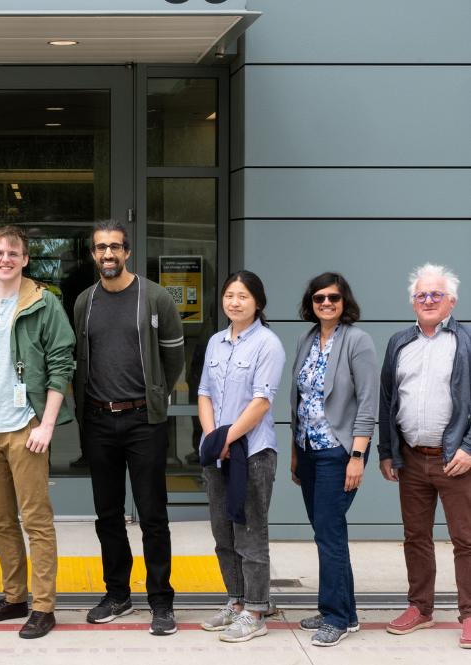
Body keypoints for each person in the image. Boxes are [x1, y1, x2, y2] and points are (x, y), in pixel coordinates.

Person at [0, 225, 75, 639]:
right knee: (1, 520)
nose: (4, 259)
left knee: (36, 520)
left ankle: (43, 606)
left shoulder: (44, 304)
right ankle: (15, 597)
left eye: (13, 253)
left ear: (26, 259)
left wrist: (45, 424)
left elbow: (62, 364)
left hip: (25, 426)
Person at [73, 221, 185, 635]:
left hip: (143, 420)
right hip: (99, 419)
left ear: (127, 252)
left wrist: (154, 394)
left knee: (153, 515)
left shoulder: (154, 297)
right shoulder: (85, 301)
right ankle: (117, 593)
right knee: (108, 515)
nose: (108, 255)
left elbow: (173, 358)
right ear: (92, 254)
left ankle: (161, 601)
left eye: (115, 247)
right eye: (101, 248)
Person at [378, 263, 471, 648]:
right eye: (421, 295)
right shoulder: (399, 342)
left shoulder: (466, 342)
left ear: (451, 300)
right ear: (412, 301)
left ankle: (470, 614)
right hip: (412, 459)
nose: (428, 300)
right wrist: (387, 452)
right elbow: (387, 400)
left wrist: (469, 447)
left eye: (436, 294)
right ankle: (421, 608)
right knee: (416, 537)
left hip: (456, 460)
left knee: (466, 539)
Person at [289, 272, 377, 647]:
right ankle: (345, 611)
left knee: (329, 533)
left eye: (333, 298)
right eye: (319, 298)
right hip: (308, 450)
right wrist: (296, 451)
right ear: (311, 303)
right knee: (327, 531)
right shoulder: (306, 339)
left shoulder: (358, 340)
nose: (326, 303)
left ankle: (336, 617)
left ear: (345, 302)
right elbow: (299, 401)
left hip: (340, 450)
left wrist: (357, 456)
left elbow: (368, 403)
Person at [197, 270, 285, 642]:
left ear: (258, 303)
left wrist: (227, 438)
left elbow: (261, 402)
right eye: (229, 295)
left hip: (253, 453)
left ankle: (256, 608)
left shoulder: (268, 344)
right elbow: (203, 392)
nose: (234, 301)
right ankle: (235, 601)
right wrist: (212, 437)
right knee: (222, 533)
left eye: (243, 296)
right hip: (219, 451)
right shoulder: (216, 342)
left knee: (250, 535)